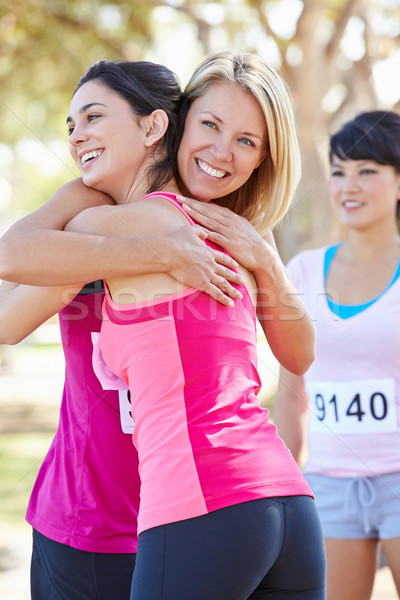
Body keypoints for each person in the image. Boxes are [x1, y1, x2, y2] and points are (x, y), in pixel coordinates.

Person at [63, 50, 325, 599]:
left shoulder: (148, 220)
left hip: (203, 505)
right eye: (210, 124)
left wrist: (266, 259)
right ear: (179, 125)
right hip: (291, 513)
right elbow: (301, 358)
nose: (221, 151)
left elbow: (20, 252)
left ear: (261, 161)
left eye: (247, 141)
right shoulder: (239, 231)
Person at [0, 61, 243, 600]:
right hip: (88, 524)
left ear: (154, 127)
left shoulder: (212, 220)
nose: (76, 135)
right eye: (69, 125)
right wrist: (150, 252)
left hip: (193, 514)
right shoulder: (82, 217)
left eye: (92, 116)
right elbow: (7, 312)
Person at [274, 110, 400, 600]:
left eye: (367, 171)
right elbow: (290, 392)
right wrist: (286, 490)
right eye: (340, 171)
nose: (350, 185)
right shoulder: (301, 272)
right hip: (327, 486)